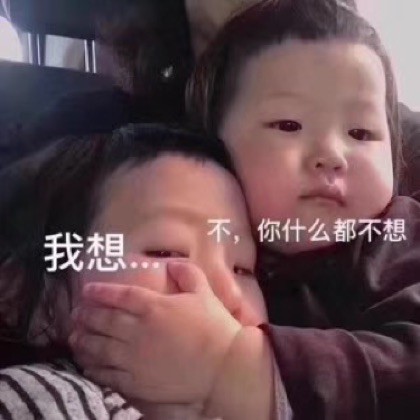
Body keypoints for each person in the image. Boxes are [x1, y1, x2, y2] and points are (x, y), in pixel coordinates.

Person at [71, 1, 420, 419]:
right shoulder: (205, 234)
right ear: (215, 143)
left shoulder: (402, 243)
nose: (331, 154)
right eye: (288, 125)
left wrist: (234, 368)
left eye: (361, 133)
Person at [0, 124, 288, 419]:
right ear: (30, 298)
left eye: (244, 268)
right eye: (166, 252)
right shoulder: (45, 395)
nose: (229, 293)